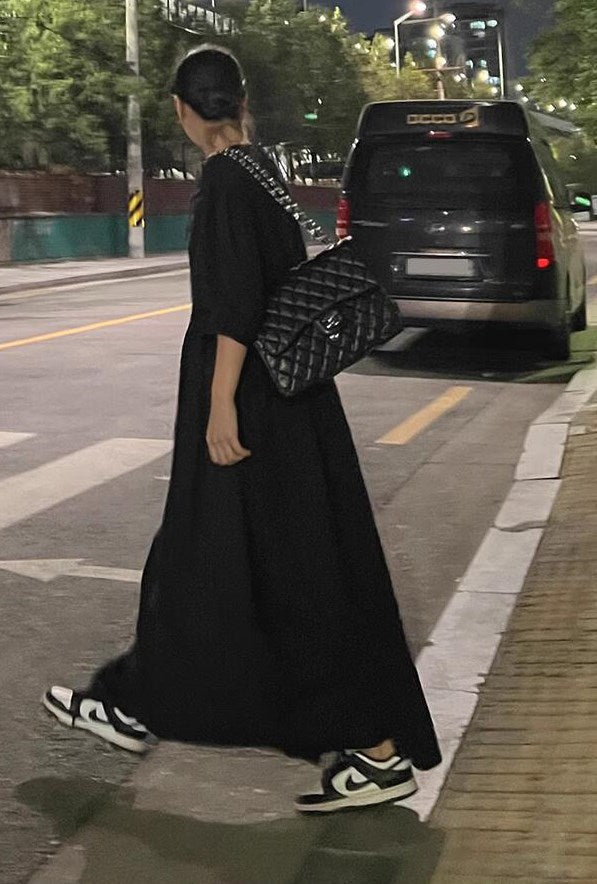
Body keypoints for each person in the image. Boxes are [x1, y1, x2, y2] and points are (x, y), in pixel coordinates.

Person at [43, 45, 441, 813]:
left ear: (181, 111)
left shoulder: (226, 180)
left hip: (250, 406)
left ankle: (139, 706)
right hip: (292, 404)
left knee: (226, 566)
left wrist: (221, 403)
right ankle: (365, 749)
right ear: (242, 102)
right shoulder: (262, 169)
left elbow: (233, 302)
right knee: (283, 570)